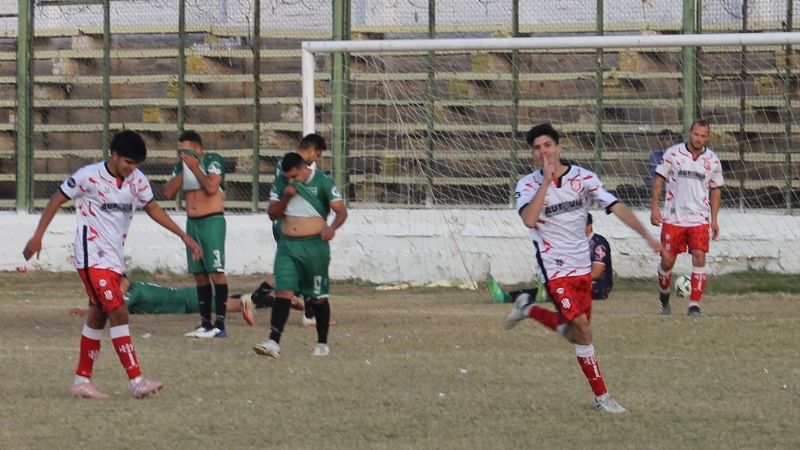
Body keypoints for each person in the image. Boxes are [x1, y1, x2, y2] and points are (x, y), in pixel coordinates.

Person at [22, 130, 202, 399]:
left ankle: (82, 380)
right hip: (91, 257)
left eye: (136, 164)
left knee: (98, 314)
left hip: (113, 259)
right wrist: (38, 236)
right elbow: (57, 198)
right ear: (114, 155)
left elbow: (152, 208)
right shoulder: (88, 176)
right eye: (128, 162)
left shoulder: (137, 180)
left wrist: (183, 235)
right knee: (119, 310)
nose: (132, 169)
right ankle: (137, 381)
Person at [503, 123, 660, 413]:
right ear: (532, 154)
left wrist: (647, 236)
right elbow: (529, 219)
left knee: (578, 335)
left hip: (581, 268)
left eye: (547, 146)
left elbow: (617, 206)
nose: (543, 152)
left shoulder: (583, 178)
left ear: (559, 147)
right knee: (583, 328)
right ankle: (603, 398)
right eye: (536, 148)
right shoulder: (526, 185)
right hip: (554, 270)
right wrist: (546, 183)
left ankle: (528, 309)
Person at [254, 151, 347, 359]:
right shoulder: (281, 183)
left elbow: (341, 211)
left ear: (304, 168)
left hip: (314, 247)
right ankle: (273, 342)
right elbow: (272, 214)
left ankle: (322, 343)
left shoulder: (323, 182)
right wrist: (286, 196)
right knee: (283, 293)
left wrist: (332, 228)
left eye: (294, 177)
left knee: (318, 298)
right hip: (287, 246)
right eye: (287, 177)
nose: (291, 180)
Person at [650, 119, 723, 317]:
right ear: (690, 133)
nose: (698, 139)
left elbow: (716, 190)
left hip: (699, 219)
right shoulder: (672, 154)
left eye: (703, 135)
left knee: (699, 257)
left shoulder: (713, 161)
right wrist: (655, 208)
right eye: (696, 134)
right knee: (667, 261)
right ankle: (664, 295)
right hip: (673, 218)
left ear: (707, 137)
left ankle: (694, 305)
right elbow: (659, 181)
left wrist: (714, 219)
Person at [164, 131, 229, 338]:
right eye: (180, 150)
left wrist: (195, 167)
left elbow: (211, 187)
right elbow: (168, 192)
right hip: (192, 224)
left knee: (216, 271)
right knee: (199, 274)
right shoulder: (180, 167)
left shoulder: (212, 160)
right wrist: (185, 170)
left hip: (212, 221)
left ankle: (220, 323)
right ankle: (205, 323)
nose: (182, 154)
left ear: (198, 148)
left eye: (186, 150)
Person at [68, 274, 304, 326]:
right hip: (186, 296)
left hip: (188, 300)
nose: (118, 286)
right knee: (235, 301)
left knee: (243, 302)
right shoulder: (136, 287)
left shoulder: (132, 293)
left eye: (119, 281)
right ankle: (273, 296)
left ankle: (268, 288)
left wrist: (85, 312)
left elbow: (115, 310)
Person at [487, 213, 613, 303]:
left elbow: (596, 273)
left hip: (598, 286)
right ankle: (507, 297)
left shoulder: (598, 243)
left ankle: (548, 295)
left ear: (589, 226)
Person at [271, 133, 328, 326]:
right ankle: (256, 298)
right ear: (310, 150)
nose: (315, 160)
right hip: (286, 225)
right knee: (294, 270)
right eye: (317, 154)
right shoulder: (288, 167)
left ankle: (309, 312)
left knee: (295, 270)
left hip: (290, 224)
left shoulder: (293, 166)